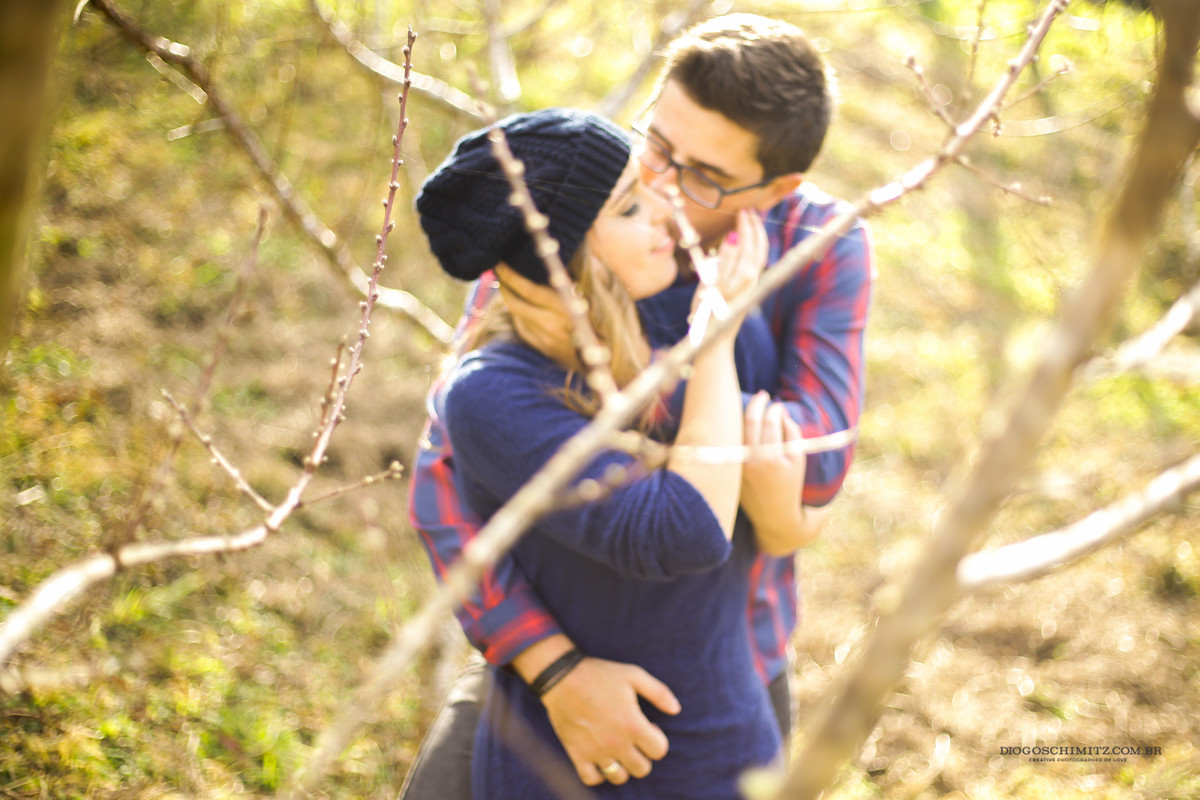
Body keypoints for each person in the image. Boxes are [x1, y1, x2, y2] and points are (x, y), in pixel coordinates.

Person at [402, 12, 873, 797]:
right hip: (551, 650)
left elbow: (810, 471)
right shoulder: (575, 200)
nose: (657, 180)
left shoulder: (816, 242)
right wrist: (556, 670)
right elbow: (443, 480)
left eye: (702, 174)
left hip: (728, 657)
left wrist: (779, 499)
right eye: (657, 141)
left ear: (775, 189)